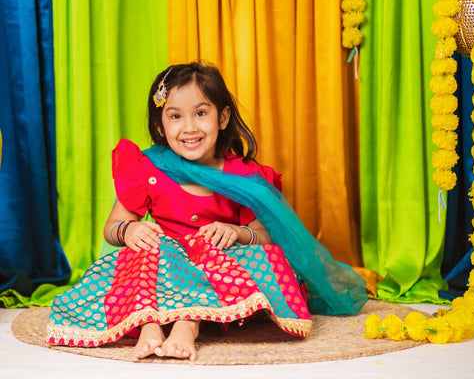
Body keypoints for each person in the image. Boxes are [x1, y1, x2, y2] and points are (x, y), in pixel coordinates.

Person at [46, 62, 367, 361]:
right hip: (162, 272)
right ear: (160, 124)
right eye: (175, 116)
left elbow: (268, 236)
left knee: (253, 257)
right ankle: (148, 324)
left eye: (201, 113)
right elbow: (113, 227)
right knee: (142, 253)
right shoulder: (148, 168)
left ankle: (188, 322)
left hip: (218, 272)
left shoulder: (244, 177)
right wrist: (129, 231)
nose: (189, 127)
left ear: (222, 118)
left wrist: (238, 233)